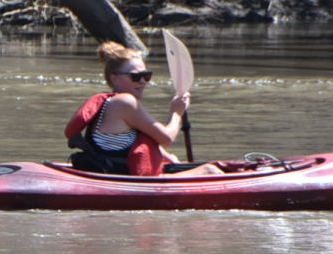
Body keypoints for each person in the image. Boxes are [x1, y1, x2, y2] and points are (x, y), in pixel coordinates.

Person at [65, 41, 218, 175]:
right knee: (210, 171)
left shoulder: (112, 103)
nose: (143, 82)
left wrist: (169, 158)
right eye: (136, 77)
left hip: (116, 170)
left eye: (146, 76)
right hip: (120, 177)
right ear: (114, 78)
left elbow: (140, 140)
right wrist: (177, 112)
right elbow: (166, 138)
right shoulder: (125, 102)